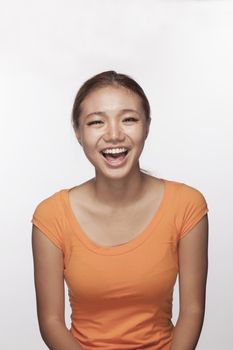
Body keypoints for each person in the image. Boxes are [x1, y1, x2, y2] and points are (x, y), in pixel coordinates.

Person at [31, 70, 209, 350]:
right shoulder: (51, 216)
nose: (114, 135)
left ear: (147, 126)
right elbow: (51, 322)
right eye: (96, 122)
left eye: (129, 119)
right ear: (78, 132)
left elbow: (192, 312)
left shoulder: (187, 206)